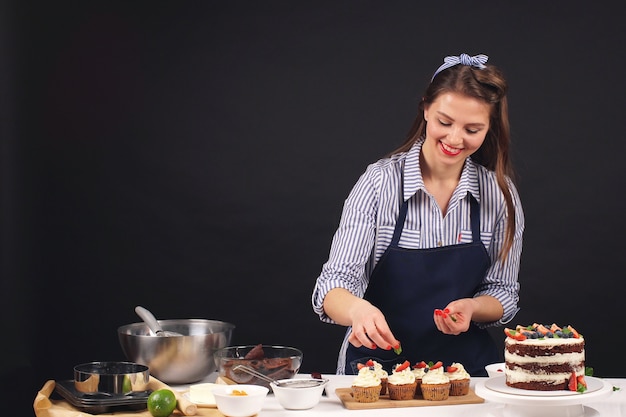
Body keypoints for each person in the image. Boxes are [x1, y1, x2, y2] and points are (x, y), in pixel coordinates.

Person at [311, 53, 524, 376]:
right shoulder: (379, 184)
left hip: (465, 374)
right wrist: (357, 309)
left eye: (472, 129)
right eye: (444, 121)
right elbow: (334, 283)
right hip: (376, 369)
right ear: (425, 108)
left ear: (489, 128)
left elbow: (503, 291)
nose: (455, 138)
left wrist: (472, 307)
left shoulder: (498, 193)